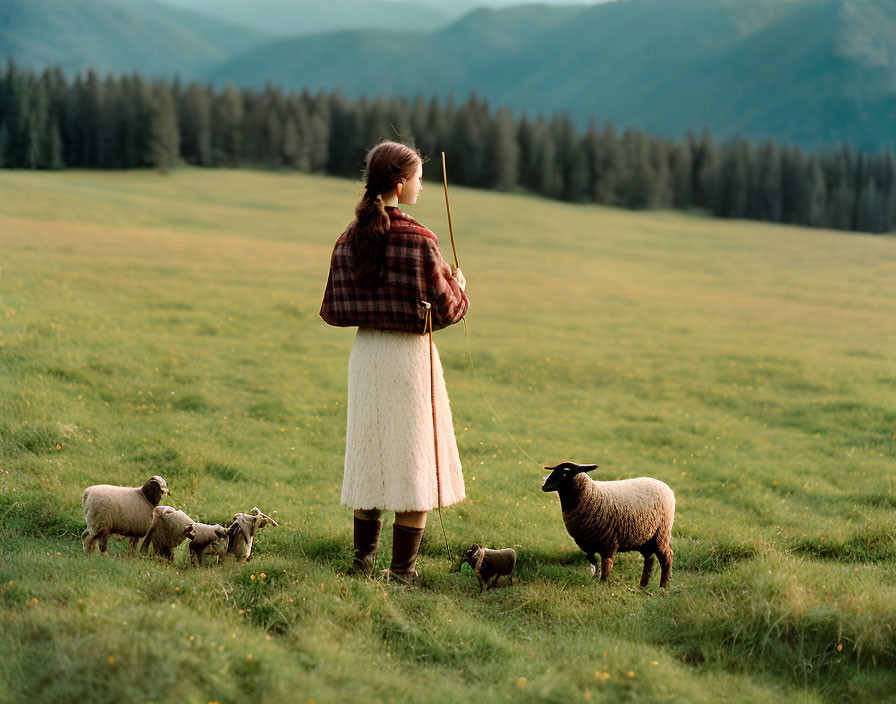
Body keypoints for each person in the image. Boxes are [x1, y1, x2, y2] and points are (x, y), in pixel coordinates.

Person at [320, 141, 469, 583]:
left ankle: (362, 561)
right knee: (413, 460)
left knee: (369, 452)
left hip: (367, 357)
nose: (421, 186)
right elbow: (447, 311)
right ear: (400, 183)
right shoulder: (422, 240)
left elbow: (332, 309)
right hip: (408, 359)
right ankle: (403, 572)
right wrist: (459, 286)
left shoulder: (349, 237)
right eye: (419, 179)